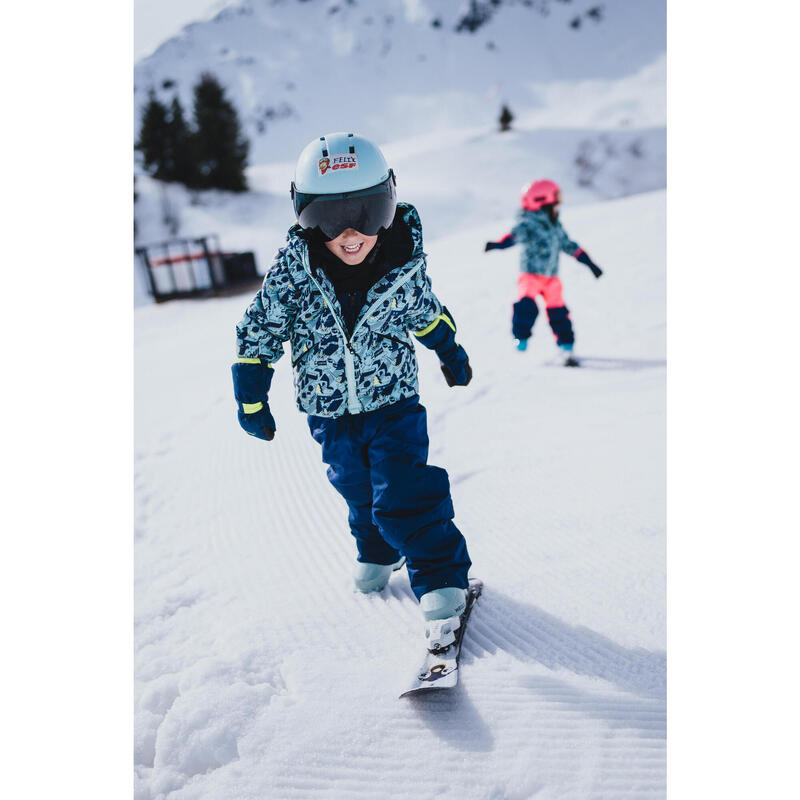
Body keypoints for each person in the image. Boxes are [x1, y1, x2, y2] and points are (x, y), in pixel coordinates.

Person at [232, 132, 473, 631]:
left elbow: (427, 314)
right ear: (302, 214)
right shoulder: (292, 274)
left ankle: (440, 573)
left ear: (388, 205)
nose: (350, 234)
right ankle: (378, 549)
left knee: (403, 491)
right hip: (329, 412)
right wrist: (252, 396)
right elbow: (260, 330)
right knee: (356, 490)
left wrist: (450, 352)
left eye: (366, 214)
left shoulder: (401, 268)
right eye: (328, 218)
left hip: (394, 404)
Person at [484, 179, 603, 366]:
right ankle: (521, 336)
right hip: (530, 275)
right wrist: (499, 244)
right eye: (556, 201)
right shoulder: (528, 223)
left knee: (559, 312)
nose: (558, 205)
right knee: (527, 305)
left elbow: (568, 245)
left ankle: (566, 347)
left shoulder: (555, 226)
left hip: (551, 278)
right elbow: (516, 235)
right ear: (542, 201)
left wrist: (589, 263)